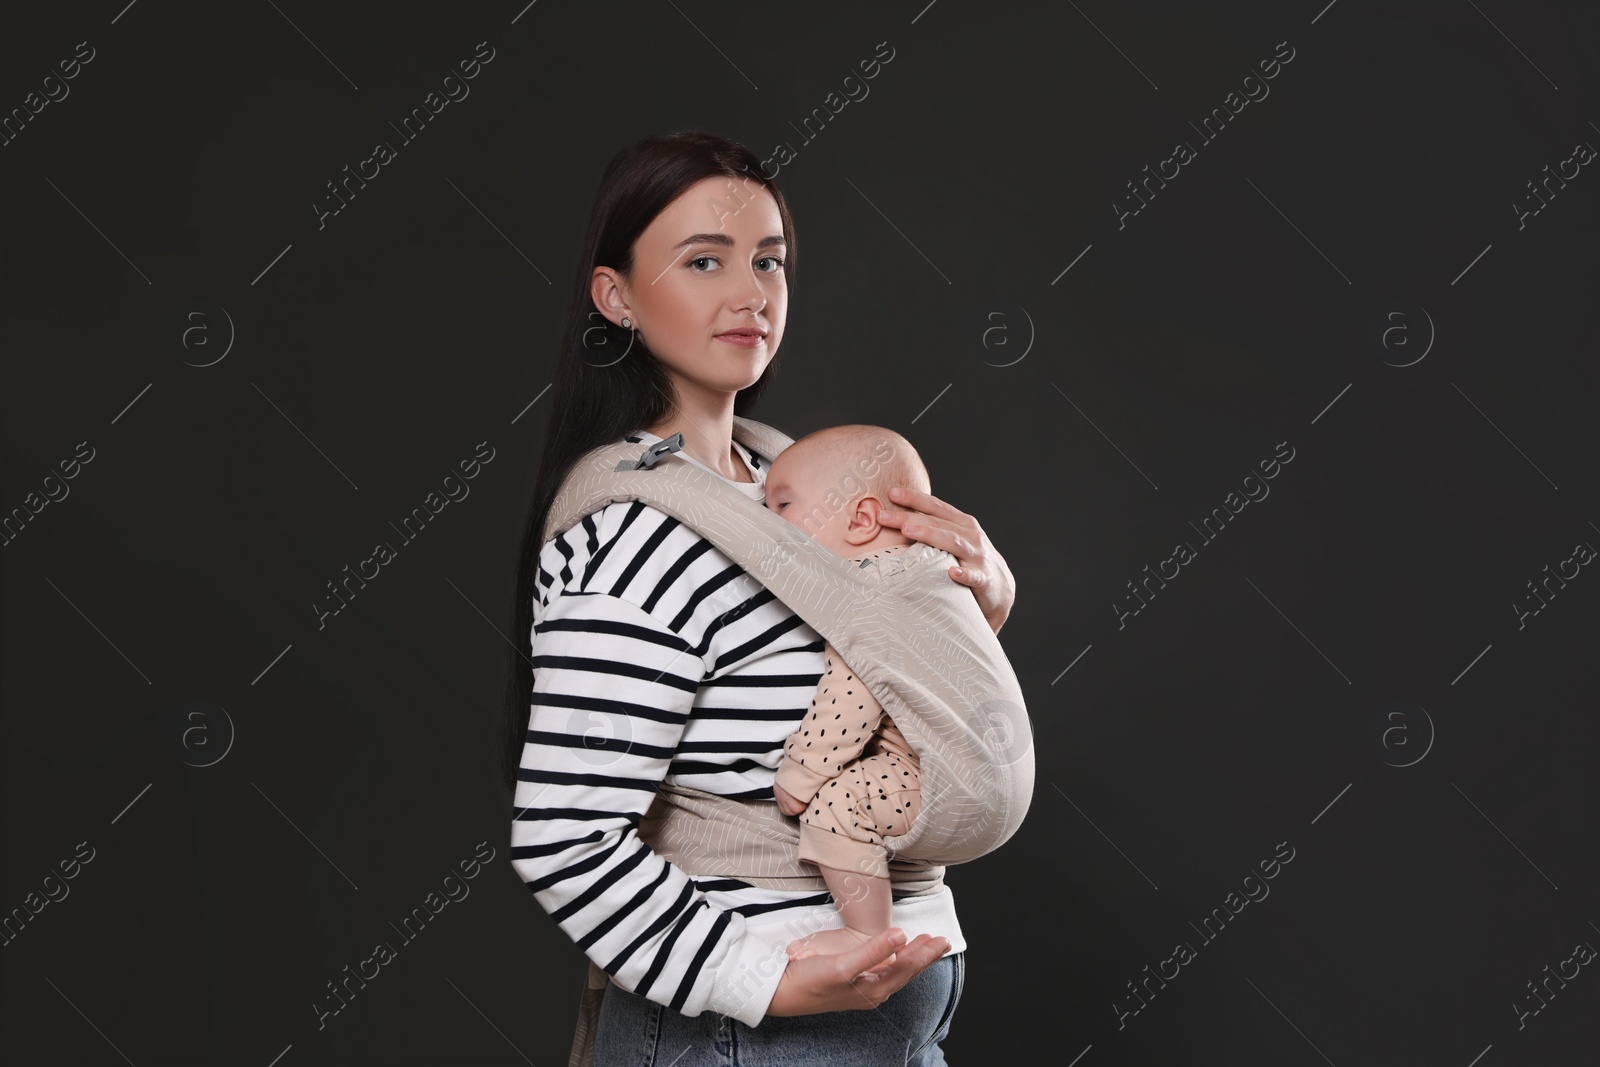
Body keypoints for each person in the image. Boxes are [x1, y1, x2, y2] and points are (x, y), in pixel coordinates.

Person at [500, 130, 1017, 1067]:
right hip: (752, 1040)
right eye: (705, 261)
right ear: (616, 296)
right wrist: (758, 980)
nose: (752, 294)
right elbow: (564, 833)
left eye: (769, 261)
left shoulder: (796, 478)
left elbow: (884, 700)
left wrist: (975, 598)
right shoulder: (635, 531)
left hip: (887, 1028)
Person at [765, 424, 937, 960]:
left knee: (837, 804)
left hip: (923, 776)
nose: (766, 526)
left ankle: (867, 934)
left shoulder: (870, 595)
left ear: (861, 519)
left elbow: (852, 695)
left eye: (782, 507)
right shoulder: (928, 576)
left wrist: (801, 774)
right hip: (955, 774)